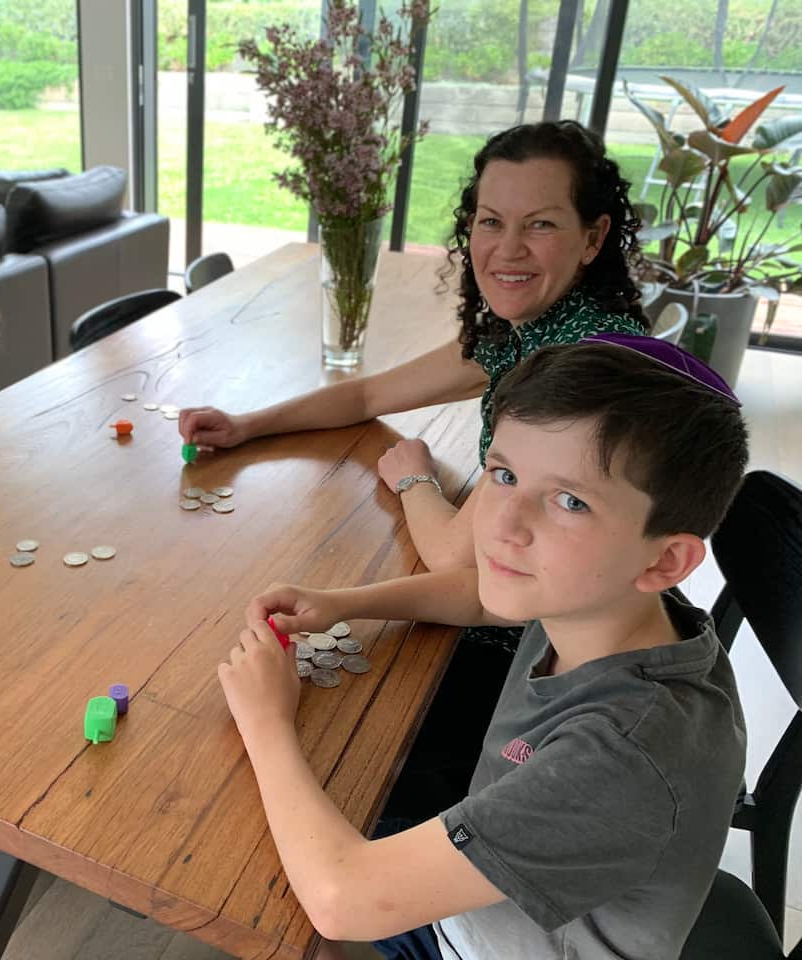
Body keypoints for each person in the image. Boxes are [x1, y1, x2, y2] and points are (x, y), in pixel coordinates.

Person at [218, 338, 748, 960]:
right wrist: (343, 603)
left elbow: (343, 900)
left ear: (667, 559)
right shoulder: (608, 606)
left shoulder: (622, 756)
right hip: (486, 908)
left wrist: (266, 718)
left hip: (476, 946)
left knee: (258, 885)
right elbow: (480, 595)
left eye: (570, 500)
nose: (503, 522)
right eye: (504, 474)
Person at [186, 120, 652, 817]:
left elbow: (453, 560)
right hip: (545, 625)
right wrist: (249, 424)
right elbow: (371, 394)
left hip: (543, 672)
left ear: (593, 236)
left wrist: (414, 478)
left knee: (300, 751)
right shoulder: (541, 328)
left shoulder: (570, 369)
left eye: (541, 224)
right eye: (491, 221)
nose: (508, 248)